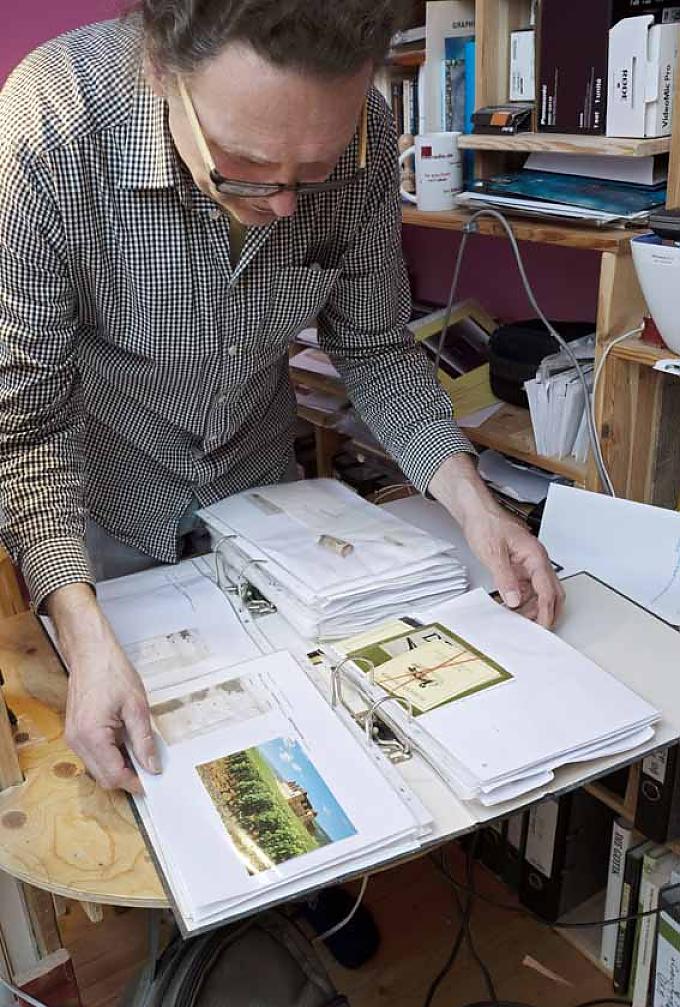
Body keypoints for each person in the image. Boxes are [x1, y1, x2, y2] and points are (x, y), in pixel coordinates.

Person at [0, 0, 563, 796]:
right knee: (151, 767)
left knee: (303, 750)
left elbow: (372, 349)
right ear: (162, 72)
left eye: (316, 172)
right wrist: (82, 631)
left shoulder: (363, 130)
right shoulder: (49, 124)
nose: (286, 205)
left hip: (266, 497)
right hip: (106, 502)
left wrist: (476, 506)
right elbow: (26, 423)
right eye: (244, 165)